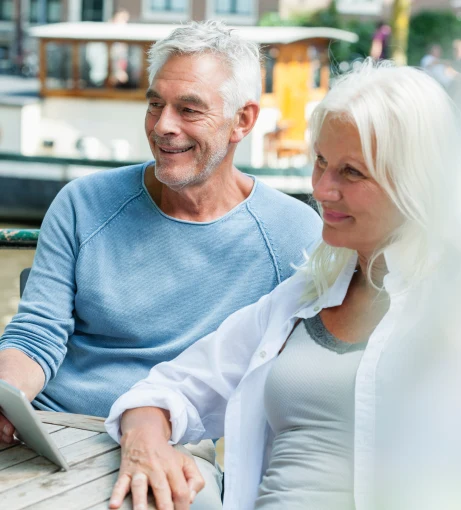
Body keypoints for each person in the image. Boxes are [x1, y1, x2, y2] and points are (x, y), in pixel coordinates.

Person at [106, 59, 461, 510]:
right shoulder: (304, 297)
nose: (322, 189)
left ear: (417, 181)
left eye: (351, 172)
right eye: (321, 163)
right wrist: (146, 444)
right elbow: (168, 389)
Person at [0, 21, 322, 508]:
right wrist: (6, 395)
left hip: (177, 439)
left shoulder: (294, 234)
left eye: (188, 109)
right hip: (52, 425)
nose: (162, 125)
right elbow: (37, 333)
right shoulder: (83, 202)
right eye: (155, 104)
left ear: (243, 121)